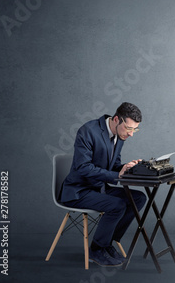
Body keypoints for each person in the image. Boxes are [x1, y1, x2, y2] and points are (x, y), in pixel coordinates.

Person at [61, 102, 147, 267]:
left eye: (134, 129)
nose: (131, 134)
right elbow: (83, 167)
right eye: (129, 128)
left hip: (99, 188)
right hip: (78, 191)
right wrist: (117, 174)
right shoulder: (88, 131)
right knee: (117, 205)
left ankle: (106, 243)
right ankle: (97, 249)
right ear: (116, 119)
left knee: (139, 198)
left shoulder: (120, 135)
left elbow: (114, 167)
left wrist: (127, 168)